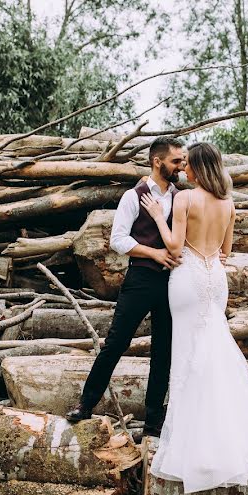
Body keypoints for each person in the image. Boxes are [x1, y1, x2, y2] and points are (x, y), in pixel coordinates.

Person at [139, 141, 248, 494]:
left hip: (187, 277)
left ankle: (191, 449)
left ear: (197, 167)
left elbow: (175, 248)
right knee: (213, 353)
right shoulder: (228, 204)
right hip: (215, 278)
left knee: (187, 357)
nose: (183, 169)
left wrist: (155, 216)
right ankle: (225, 442)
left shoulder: (185, 199)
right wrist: (210, 257)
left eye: (187, 165)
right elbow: (226, 252)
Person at [65, 136, 186, 437]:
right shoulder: (134, 196)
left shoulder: (181, 196)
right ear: (158, 162)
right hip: (141, 279)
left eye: (182, 161)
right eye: (176, 161)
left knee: (163, 352)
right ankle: (86, 404)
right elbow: (118, 240)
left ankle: (154, 423)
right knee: (116, 343)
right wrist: (154, 252)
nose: (181, 167)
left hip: (171, 283)